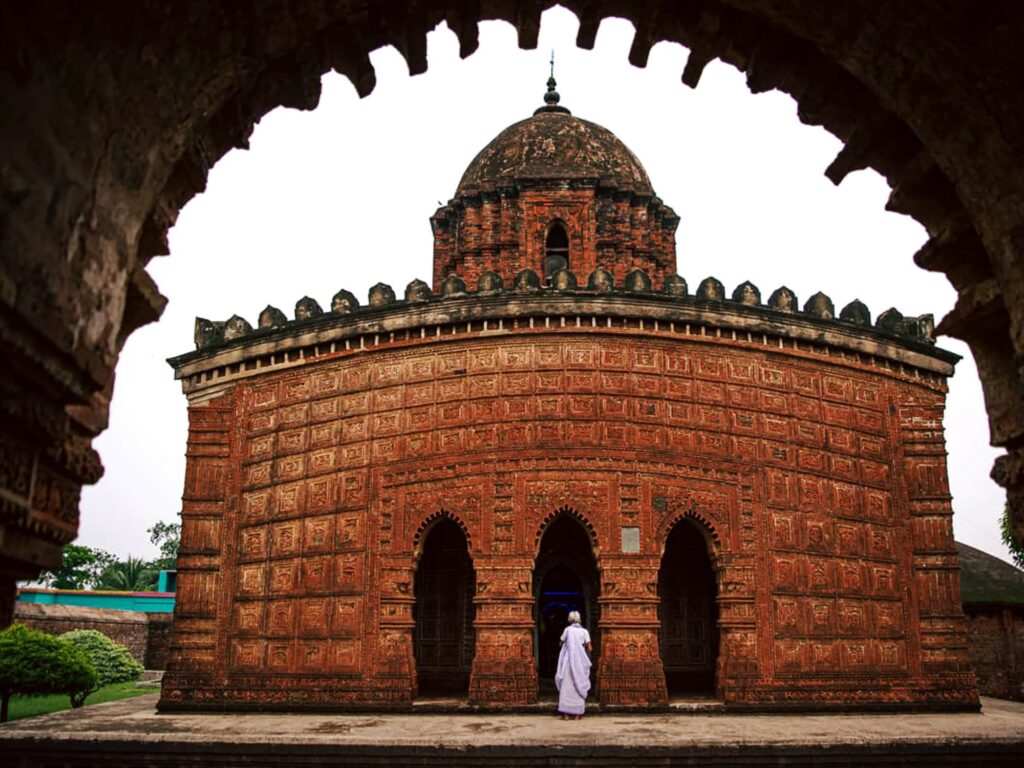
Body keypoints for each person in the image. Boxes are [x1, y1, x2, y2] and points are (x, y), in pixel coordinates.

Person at [554, 610, 592, 719]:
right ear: (579, 619)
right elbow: (589, 648)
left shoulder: (567, 630)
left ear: (569, 620)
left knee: (566, 686)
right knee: (579, 683)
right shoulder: (585, 632)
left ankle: (565, 714)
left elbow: (561, 642)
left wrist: (567, 644)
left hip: (568, 662)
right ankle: (577, 714)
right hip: (580, 662)